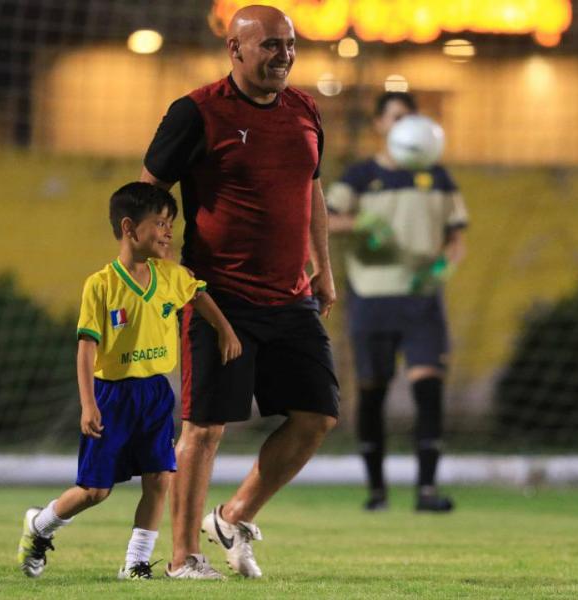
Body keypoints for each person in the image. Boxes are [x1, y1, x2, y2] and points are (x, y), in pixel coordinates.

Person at [140, 4, 339, 580]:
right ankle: (184, 560)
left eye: (290, 44)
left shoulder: (305, 110)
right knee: (204, 428)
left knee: (317, 416)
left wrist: (323, 267)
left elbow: (313, 191)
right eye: (270, 45)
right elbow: (148, 192)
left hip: (290, 295)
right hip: (218, 295)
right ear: (236, 50)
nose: (284, 55)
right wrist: (165, 264)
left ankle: (233, 515)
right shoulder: (196, 112)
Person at [16, 182, 241, 580]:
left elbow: (199, 295)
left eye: (171, 223)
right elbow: (86, 349)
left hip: (154, 394)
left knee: (160, 478)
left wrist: (225, 330)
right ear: (129, 228)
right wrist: (89, 404)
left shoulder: (170, 276)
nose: (168, 231)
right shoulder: (101, 286)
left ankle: (136, 562)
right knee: (95, 491)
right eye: (159, 222)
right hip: (111, 396)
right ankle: (40, 525)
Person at [327, 91, 469, 513]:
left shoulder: (438, 177)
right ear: (379, 124)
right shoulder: (359, 176)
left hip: (421, 299)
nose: (405, 124)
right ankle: (377, 491)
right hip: (372, 298)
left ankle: (426, 491)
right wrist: (358, 222)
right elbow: (322, 218)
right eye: (396, 117)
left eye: (411, 117)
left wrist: (445, 266)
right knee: (372, 392)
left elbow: (456, 238)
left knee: (429, 387)